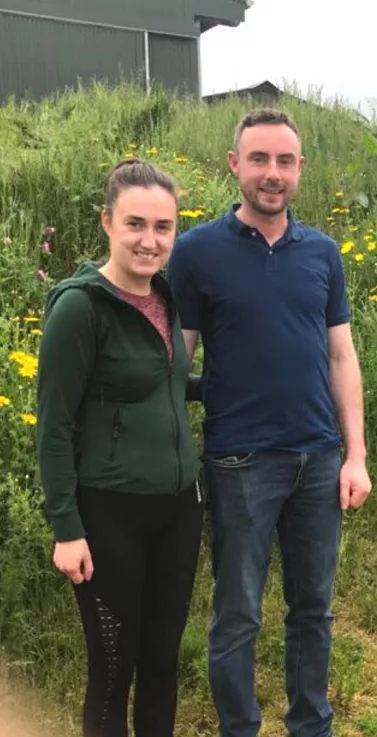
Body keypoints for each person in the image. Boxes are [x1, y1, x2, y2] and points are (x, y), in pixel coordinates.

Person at [166, 109, 372, 737]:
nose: (272, 174)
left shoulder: (323, 253)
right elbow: (177, 357)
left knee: (313, 610)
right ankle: (240, 727)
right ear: (235, 165)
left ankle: (311, 723)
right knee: (238, 614)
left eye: (285, 161)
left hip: (318, 457)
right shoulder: (195, 253)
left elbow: (341, 354)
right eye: (259, 159)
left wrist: (354, 453)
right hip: (239, 462)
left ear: (300, 169)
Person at [35, 159, 204, 737]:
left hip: (180, 508)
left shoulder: (167, 296)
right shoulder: (79, 308)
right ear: (107, 222)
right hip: (109, 516)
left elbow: (167, 382)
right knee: (114, 670)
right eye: (136, 224)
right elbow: (53, 427)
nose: (150, 240)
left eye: (163, 227)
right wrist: (66, 527)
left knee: (162, 662)